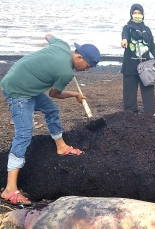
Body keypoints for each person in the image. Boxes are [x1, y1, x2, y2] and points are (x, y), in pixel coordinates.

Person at [0, 34, 100, 206]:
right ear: (79, 57)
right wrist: (75, 94)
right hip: (18, 90)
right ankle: (9, 189)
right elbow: (54, 94)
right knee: (24, 134)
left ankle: (61, 147)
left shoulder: (61, 44)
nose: (86, 70)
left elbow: (49, 36)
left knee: (51, 109)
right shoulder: (65, 72)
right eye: (87, 65)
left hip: (27, 84)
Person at [120, 4, 155, 117]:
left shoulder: (147, 30)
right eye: (135, 13)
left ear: (143, 15)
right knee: (129, 89)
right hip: (130, 64)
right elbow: (124, 36)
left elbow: (152, 46)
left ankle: (151, 111)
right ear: (131, 14)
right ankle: (130, 111)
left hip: (146, 65)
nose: (137, 15)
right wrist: (124, 40)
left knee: (148, 86)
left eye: (139, 13)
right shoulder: (127, 27)